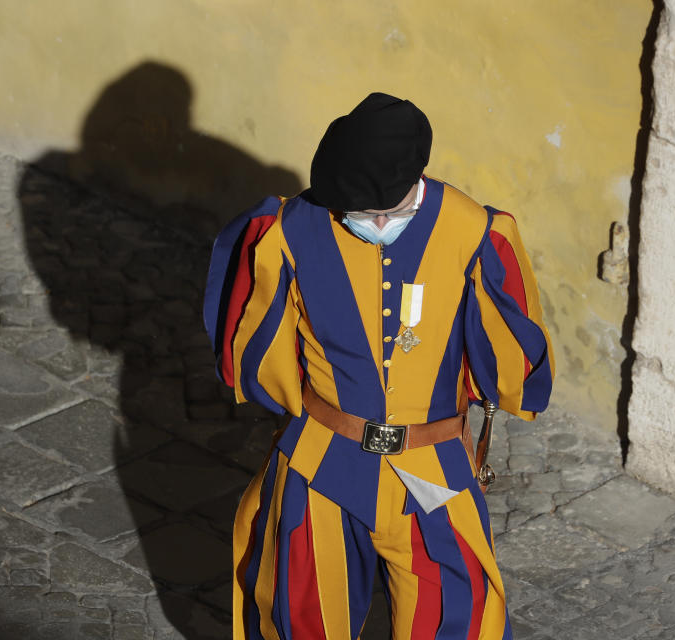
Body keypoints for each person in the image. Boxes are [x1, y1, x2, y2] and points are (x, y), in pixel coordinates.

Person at [204, 92, 553, 639]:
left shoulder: (472, 231)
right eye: (359, 214)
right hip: (320, 463)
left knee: (459, 618)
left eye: (386, 211)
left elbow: (506, 351)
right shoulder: (289, 230)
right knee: (301, 617)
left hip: (433, 467)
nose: (375, 222)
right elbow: (260, 346)